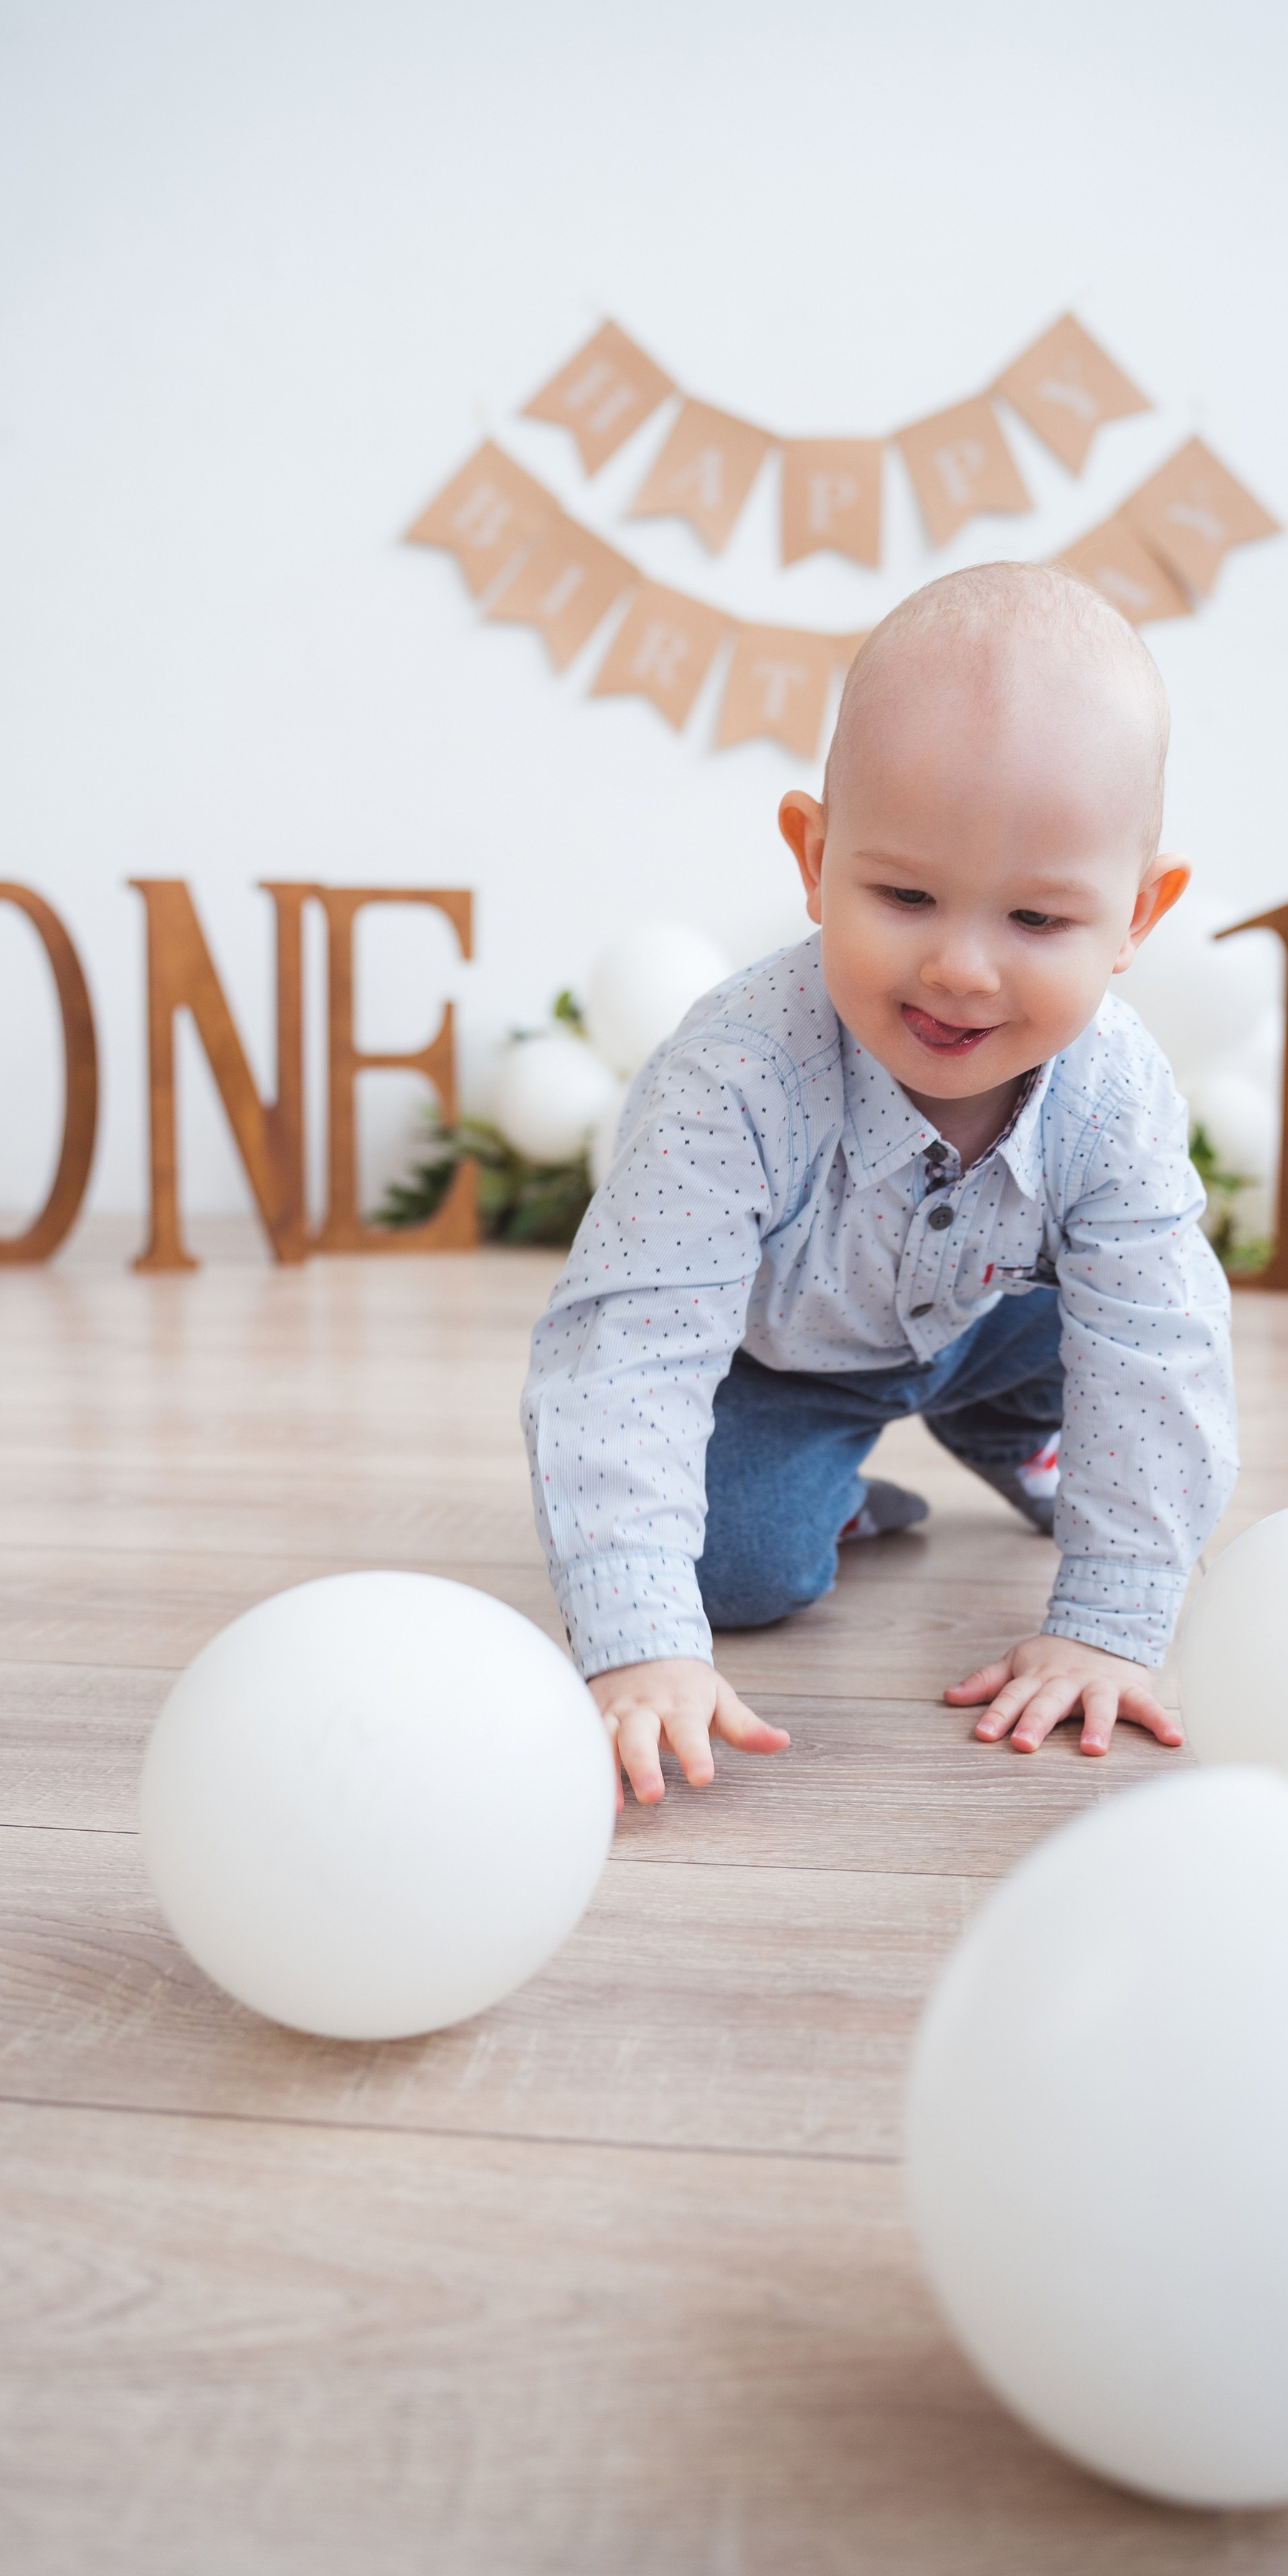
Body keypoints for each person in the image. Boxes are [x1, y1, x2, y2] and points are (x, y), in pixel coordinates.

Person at [521, 561, 1238, 1806]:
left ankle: (1014, 1428)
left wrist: (1112, 1624)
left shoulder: (1116, 1090)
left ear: (1137, 915)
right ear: (814, 856)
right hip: (783, 1355)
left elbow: (1158, 1344)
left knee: (1128, 1373)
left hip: (1004, 1317)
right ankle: (843, 1494)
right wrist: (639, 1641)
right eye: (904, 895)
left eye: (1037, 920)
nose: (962, 969)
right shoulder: (734, 1078)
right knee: (738, 1573)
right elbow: (628, 1346)